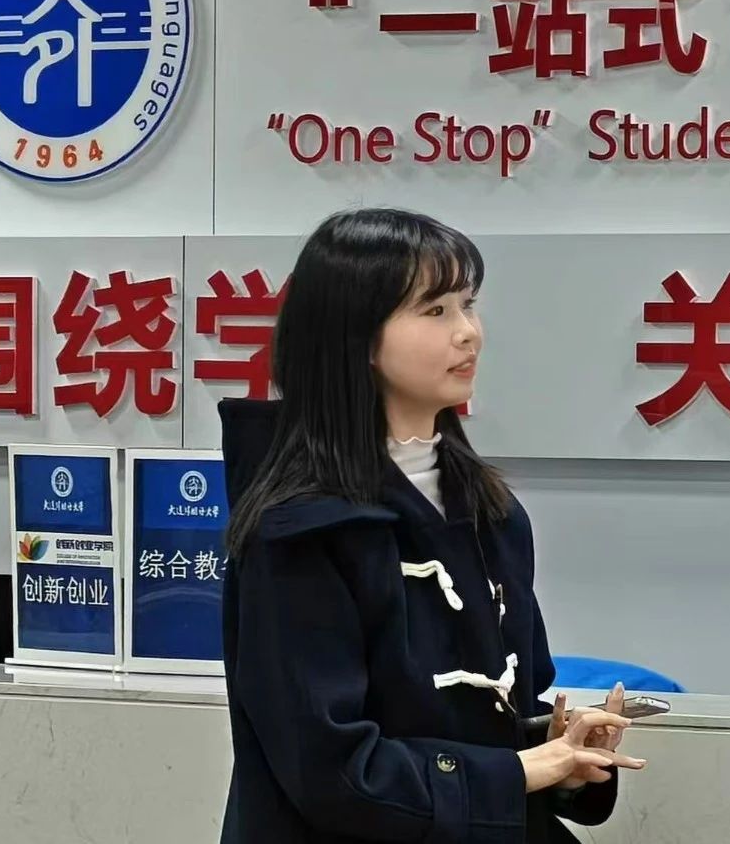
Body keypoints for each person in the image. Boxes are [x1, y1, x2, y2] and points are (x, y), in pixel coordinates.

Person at [217, 208, 647, 844]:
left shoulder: (492, 514)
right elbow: (330, 770)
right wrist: (516, 772)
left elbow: (505, 713)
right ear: (358, 336)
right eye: (436, 310)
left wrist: (563, 756)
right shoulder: (298, 531)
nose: (468, 332)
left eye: (468, 305)